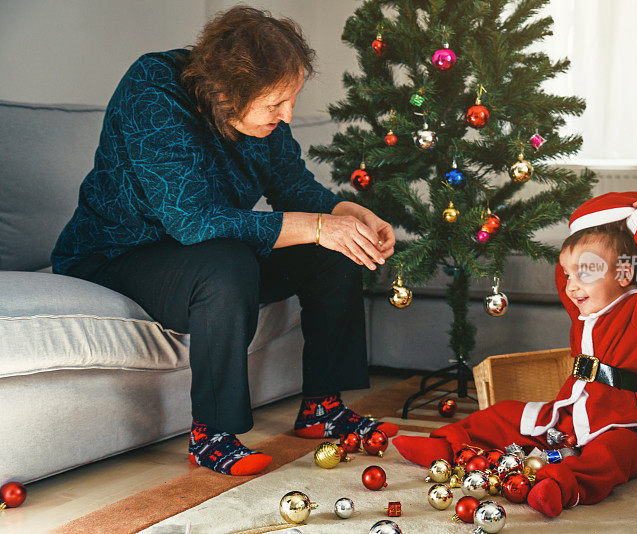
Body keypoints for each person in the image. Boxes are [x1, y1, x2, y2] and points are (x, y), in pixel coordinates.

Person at [51, 6, 398, 477]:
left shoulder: (264, 118)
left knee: (331, 250)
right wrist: (317, 225)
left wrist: (345, 214)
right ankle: (211, 433)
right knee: (228, 264)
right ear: (223, 90)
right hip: (118, 252)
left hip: (202, 248)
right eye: (276, 103)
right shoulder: (153, 88)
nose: (288, 114)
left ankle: (322, 407)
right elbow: (192, 221)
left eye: (290, 99)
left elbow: (291, 184)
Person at [393, 191, 637, 516]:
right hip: (570, 415)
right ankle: (446, 446)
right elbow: (564, 276)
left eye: (585, 273)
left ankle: (562, 484)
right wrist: (587, 230)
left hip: (626, 422)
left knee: (612, 455)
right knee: (504, 413)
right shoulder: (584, 313)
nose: (573, 286)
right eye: (570, 274)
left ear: (623, 274)